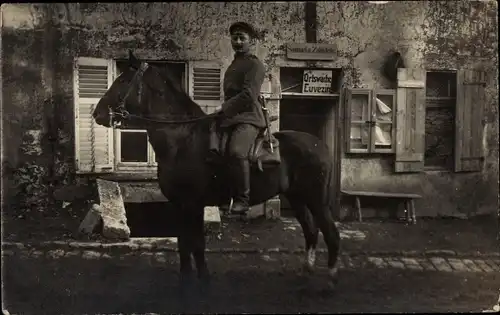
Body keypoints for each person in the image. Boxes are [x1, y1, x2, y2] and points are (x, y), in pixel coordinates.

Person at [215, 21, 267, 215]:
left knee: (237, 152)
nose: (237, 41)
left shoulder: (254, 64)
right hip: (231, 118)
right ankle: (221, 197)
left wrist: (224, 108)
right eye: (234, 38)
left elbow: (248, 95)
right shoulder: (234, 64)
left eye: (242, 38)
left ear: (250, 41)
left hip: (248, 118)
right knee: (214, 150)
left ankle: (242, 199)